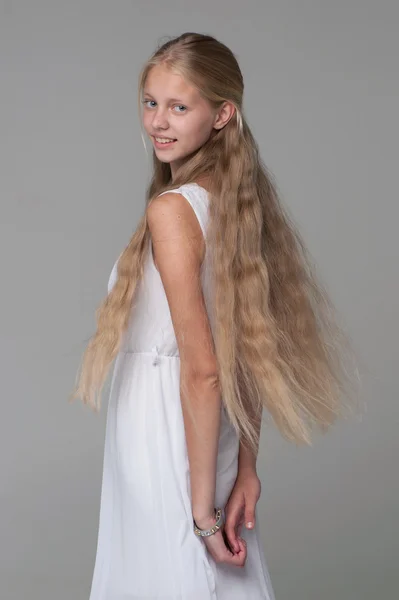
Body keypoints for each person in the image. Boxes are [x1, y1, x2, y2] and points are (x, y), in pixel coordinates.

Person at [70, 32, 359, 600]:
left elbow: (204, 369)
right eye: (151, 102)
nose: (158, 121)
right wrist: (246, 468)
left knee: (170, 576)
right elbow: (248, 349)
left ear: (222, 114)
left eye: (180, 106)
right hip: (213, 434)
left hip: (167, 432)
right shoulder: (234, 204)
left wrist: (201, 508)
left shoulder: (173, 211)